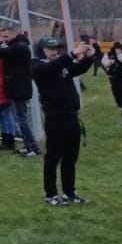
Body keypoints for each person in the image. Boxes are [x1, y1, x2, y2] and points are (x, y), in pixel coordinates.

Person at [33, 36, 94, 206]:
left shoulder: (61, 64)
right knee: (53, 157)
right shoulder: (37, 64)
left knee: (70, 157)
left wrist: (89, 57)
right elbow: (51, 68)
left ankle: (70, 192)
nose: (55, 52)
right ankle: (50, 193)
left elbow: (78, 69)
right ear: (42, 50)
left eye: (57, 48)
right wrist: (73, 53)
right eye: (50, 49)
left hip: (72, 116)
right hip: (55, 117)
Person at [0, 27, 41, 157]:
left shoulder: (20, 47)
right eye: (1, 36)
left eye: (5, 37)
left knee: (22, 118)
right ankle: (28, 145)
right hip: (17, 86)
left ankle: (32, 147)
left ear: (14, 35)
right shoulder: (19, 46)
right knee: (20, 117)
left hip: (19, 87)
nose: (3, 40)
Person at [104, 42, 122, 109]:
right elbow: (104, 63)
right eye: (117, 48)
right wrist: (110, 62)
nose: (118, 50)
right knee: (115, 90)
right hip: (113, 75)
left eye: (119, 48)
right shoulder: (108, 54)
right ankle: (119, 104)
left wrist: (119, 55)